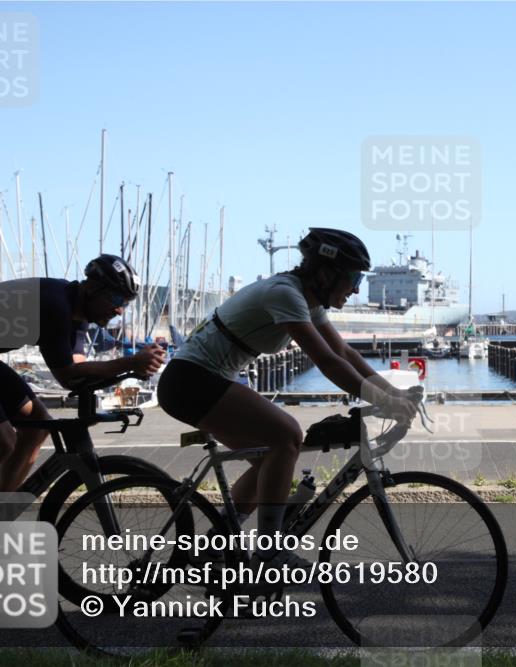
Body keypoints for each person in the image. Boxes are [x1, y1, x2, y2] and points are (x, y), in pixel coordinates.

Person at [156, 228, 418, 569]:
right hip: (191, 379)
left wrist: (393, 393)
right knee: (287, 435)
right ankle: (269, 549)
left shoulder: (306, 299)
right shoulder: (284, 294)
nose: (355, 288)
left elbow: (342, 351)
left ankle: (212, 547)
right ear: (325, 273)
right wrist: (383, 399)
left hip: (207, 379)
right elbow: (326, 361)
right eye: (353, 277)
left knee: (270, 458)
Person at [0, 254, 165, 494]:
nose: (120, 310)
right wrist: (130, 362)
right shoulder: (55, 305)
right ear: (92, 288)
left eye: (126, 304)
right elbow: (67, 374)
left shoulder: (78, 313)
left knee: (36, 426)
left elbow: (78, 373)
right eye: (117, 300)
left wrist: (132, 367)